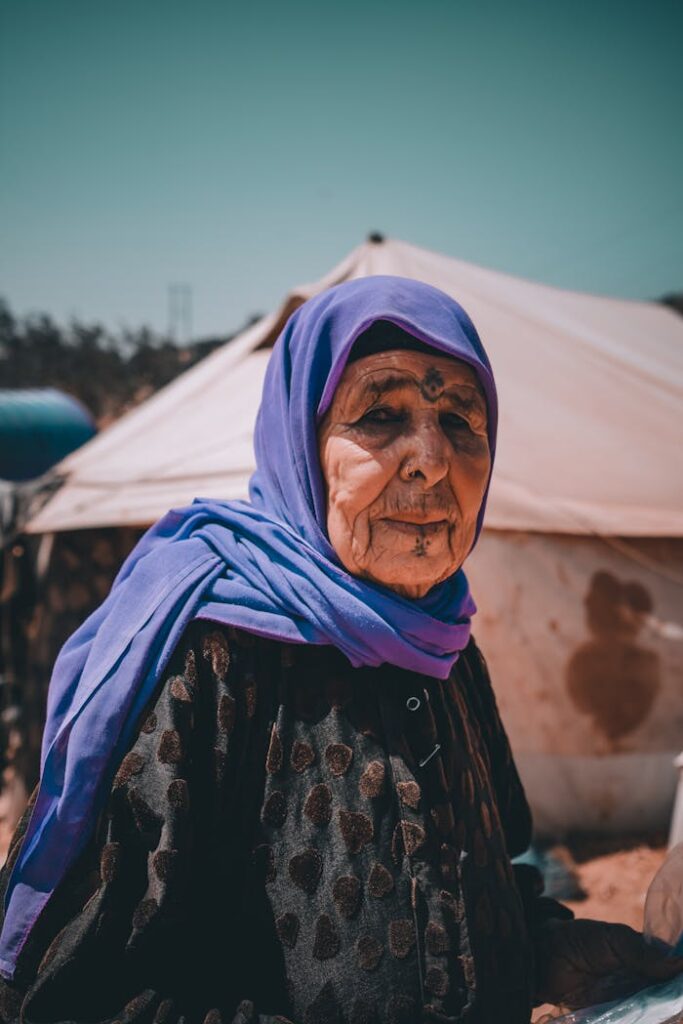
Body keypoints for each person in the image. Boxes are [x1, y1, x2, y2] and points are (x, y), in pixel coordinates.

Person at [0, 277, 679, 1024]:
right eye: (380, 415)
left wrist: (547, 952)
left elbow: (474, 892)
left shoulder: (442, 645)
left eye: (460, 420)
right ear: (300, 441)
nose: (429, 459)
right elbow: (83, 993)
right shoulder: (210, 658)